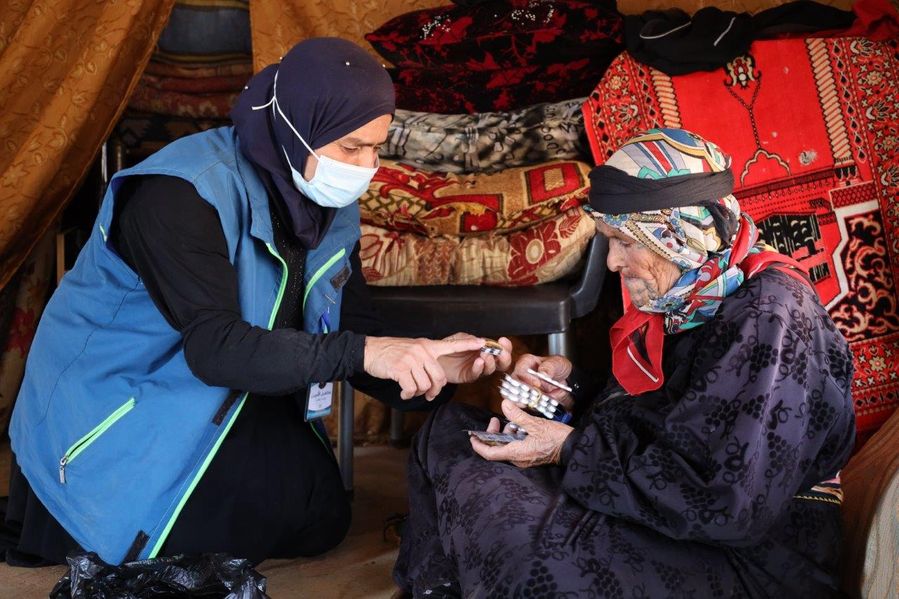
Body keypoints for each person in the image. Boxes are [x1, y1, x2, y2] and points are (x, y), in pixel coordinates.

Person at [2, 38, 512, 567]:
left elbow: (351, 325)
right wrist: (368, 352)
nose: (368, 168)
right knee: (194, 540)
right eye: (351, 148)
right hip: (120, 405)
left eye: (376, 148)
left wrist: (429, 363)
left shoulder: (323, 199)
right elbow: (217, 350)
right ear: (296, 128)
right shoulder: (179, 194)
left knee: (319, 519)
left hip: (224, 392)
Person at [394, 129, 855, 598]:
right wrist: (575, 387)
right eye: (608, 240)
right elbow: (673, 411)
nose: (613, 261)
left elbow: (726, 504)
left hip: (750, 558)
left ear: (677, 234)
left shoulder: (770, 316)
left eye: (624, 241)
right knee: (451, 435)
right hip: (666, 509)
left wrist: (567, 449)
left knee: (529, 559)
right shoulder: (690, 294)